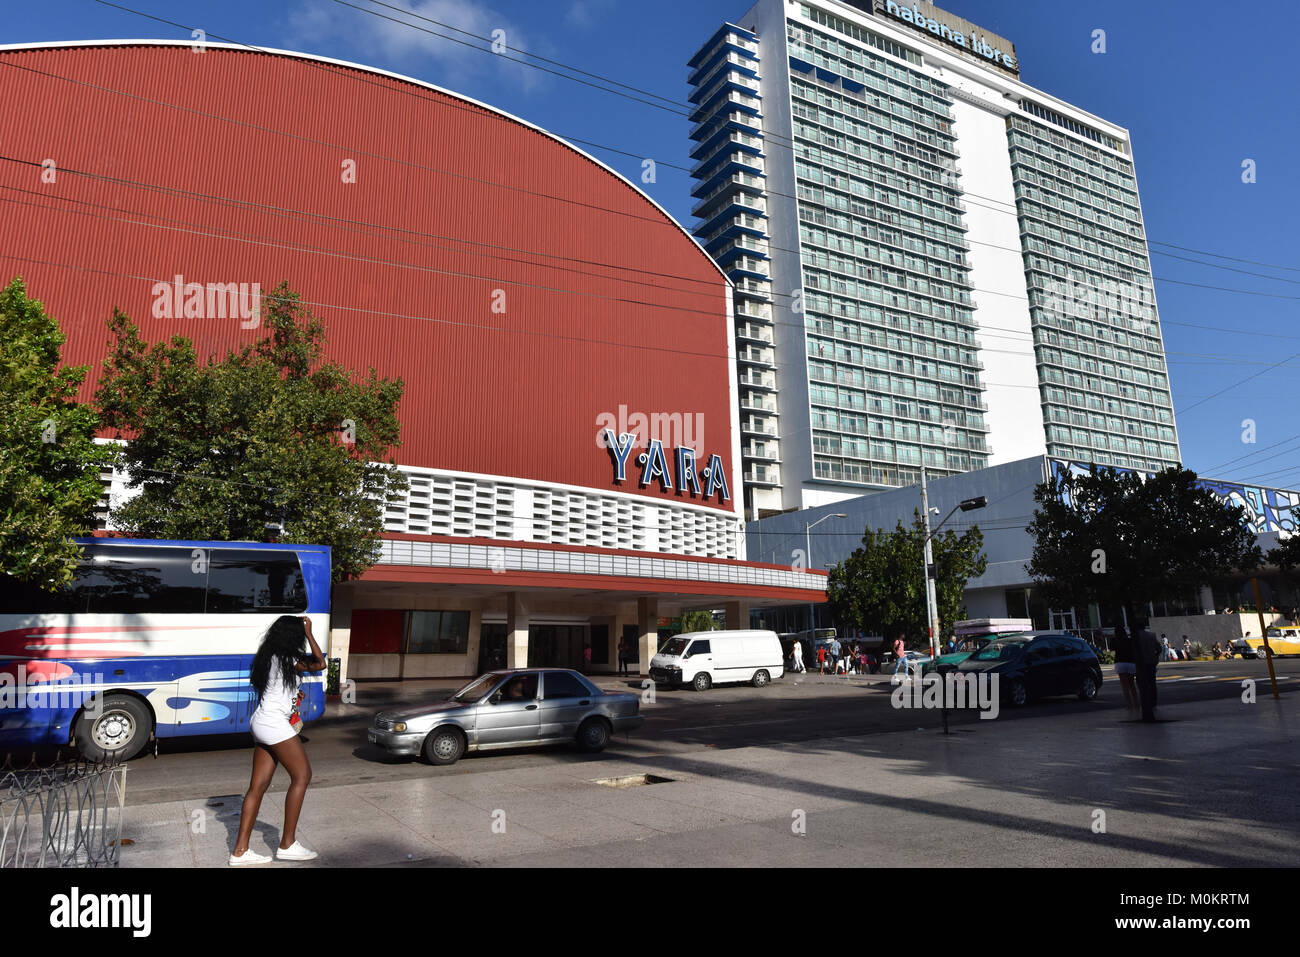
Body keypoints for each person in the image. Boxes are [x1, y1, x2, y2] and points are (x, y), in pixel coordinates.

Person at [231, 615, 327, 865]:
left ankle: (240, 851)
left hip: (261, 722)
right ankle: (287, 844)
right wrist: (309, 632)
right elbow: (320, 664)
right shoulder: (289, 659)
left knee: (257, 787)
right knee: (302, 776)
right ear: (292, 637)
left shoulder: (269, 657)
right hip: (274, 724)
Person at [1135, 620, 1162, 722]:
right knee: (1152, 682)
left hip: (1141, 663)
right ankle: (1153, 702)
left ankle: (1145, 701)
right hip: (1151, 662)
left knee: (1141, 682)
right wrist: (1155, 656)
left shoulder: (1136, 636)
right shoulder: (1152, 635)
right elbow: (1159, 648)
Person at [1112, 623, 1139, 717]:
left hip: (1120, 663)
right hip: (1130, 662)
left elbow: (1113, 649)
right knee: (1132, 685)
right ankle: (1136, 704)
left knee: (1125, 687)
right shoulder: (1129, 640)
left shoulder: (1115, 640)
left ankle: (1129, 705)